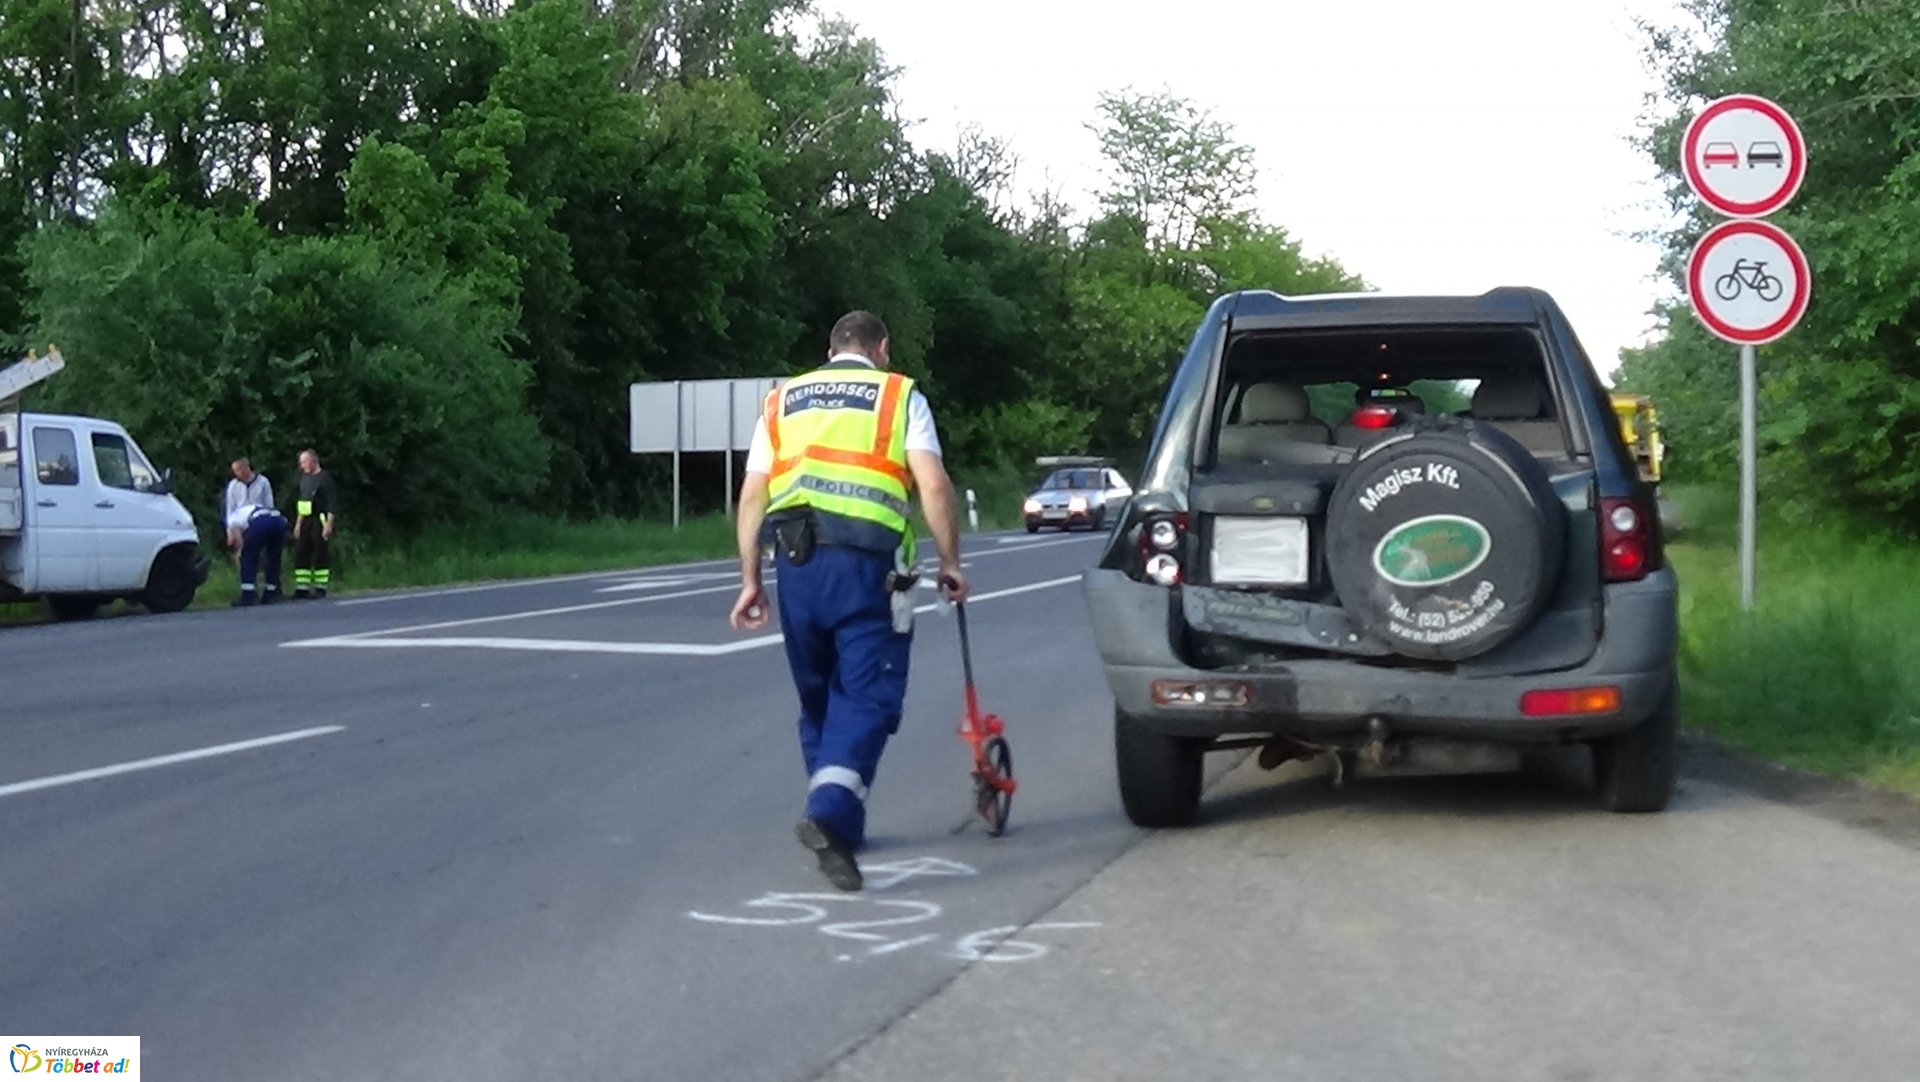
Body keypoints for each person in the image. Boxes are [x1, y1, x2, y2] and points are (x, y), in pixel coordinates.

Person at [729, 310, 969, 892]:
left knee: (818, 697)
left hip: (797, 567)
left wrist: (750, 578)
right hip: (867, 569)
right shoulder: (898, 395)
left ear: (830, 349)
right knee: (867, 695)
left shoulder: (782, 401)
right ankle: (830, 811)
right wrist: (950, 562)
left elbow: (753, 494)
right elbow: (932, 484)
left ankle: (840, 823)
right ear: (881, 348)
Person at [290, 448, 338, 599]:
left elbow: (332, 503)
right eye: (301, 463)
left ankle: (320, 587)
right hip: (306, 519)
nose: (302, 465)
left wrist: (329, 525)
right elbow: (302, 501)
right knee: (301, 551)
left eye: (304, 462)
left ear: (313, 461)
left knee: (319, 551)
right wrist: (298, 524)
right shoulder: (304, 478)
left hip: (320, 519)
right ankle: (302, 587)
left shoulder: (325, 479)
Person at [227, 502, 288, 606]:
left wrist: (240, 552)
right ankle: (271, 593)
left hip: (261, 521)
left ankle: (248, 594)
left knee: (248, 556)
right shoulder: (250, 509)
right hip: (279, 520)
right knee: (274, 557)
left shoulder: (232, 519)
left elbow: (238, 540)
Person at [223, 458, 274, 552]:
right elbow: (230, 509)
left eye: (238, 469)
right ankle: (241, 554)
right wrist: (229, 530)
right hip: (240, 519)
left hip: (259, 516)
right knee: (235, 530)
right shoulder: (233, 485)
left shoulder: (263, 482)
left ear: (246, 467)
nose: (236, 473)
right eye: (235, 470)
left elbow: (269, 505)